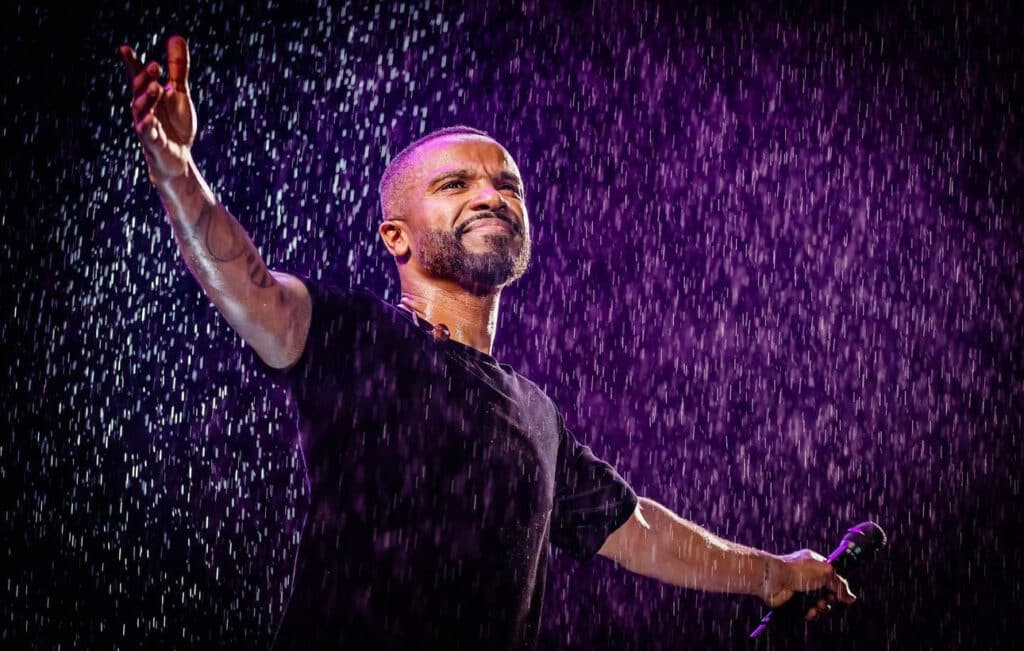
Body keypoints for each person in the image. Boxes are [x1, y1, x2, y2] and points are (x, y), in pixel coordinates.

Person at [119, 36, 856, 650]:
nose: (490, 194)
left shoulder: (536, 413)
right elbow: (248, 286)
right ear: (395, 236)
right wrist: (176, 165)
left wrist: (774, 572)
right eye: (455, 185)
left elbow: (637, 527)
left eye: (507, 184)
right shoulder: (360, 339)